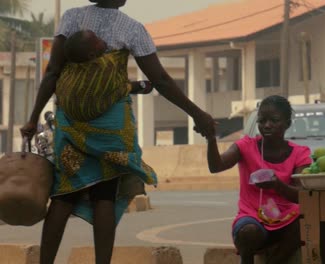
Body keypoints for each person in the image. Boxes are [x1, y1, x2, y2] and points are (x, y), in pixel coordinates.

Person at [20, 0, 215, 263]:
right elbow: (161, 80)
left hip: (71, 122)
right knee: (105, 196)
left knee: (64, 194)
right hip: (111, 127)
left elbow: (53, 71)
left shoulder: (71, 18)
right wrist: (197, 113)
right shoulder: (132, 29)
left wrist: (33, 119)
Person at [205, 95, 312, 264]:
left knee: (308, 221)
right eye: (262, 121)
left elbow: (303, 194)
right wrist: (211, 139)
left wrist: (277, 185)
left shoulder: (300, 153)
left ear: (287, 124)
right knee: (247, 232)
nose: (267, 125)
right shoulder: (245, 146)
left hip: (287, 219)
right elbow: (216, 166)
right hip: (254, 218)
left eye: (274, 120)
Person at [64, 29, 153, 94]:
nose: (102, 39)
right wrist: (142, 85)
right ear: (92, 55)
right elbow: (122, 89)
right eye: (97, 39)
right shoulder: (102, 71)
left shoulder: (67, 73)